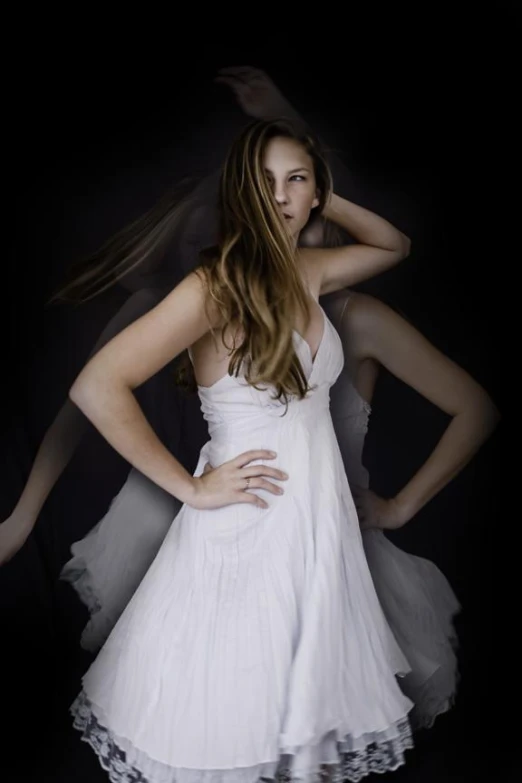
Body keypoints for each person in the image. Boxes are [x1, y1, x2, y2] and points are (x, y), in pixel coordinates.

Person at [64, 117, 414, 783]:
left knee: (297, 706)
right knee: (235, 707)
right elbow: (97, 385)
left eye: (296, 180)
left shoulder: (311, 269)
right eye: (265, 181)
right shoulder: (217, 286)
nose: (281, 196)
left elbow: (394, 244)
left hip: (313, 523)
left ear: (314, 193)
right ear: (242, 192)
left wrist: (326, 191)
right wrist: (191, 487)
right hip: (248, 520)